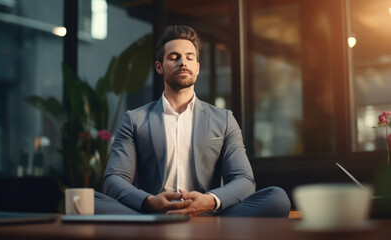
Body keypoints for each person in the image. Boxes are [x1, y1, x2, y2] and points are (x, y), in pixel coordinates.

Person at [94, 25, 290, 217]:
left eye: (190, 57)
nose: (183, 62)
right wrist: (148, 202)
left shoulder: (224, 119)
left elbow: (244, 179)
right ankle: (153, 222)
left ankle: (186, 225)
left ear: (197, 67)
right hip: (152, 212)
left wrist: (211, 201)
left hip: (208, 212)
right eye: (174, 57)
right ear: (159, 67)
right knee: (89, 200)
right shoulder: (134, 120)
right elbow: (114, 179)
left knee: (277, 198)